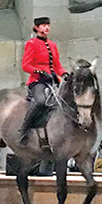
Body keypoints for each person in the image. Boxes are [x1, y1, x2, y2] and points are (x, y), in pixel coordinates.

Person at [19, 16, 66, 144]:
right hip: (38, 80)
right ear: (37, 28)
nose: (47, 27)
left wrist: (64, 73)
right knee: (41, 102)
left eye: (48, 25)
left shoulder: (52, 45)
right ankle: (25, 130)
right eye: (44, 25)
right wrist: (40, 72)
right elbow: (26, 65)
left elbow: (57, 65)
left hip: (53, 80)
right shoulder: (32, 43)